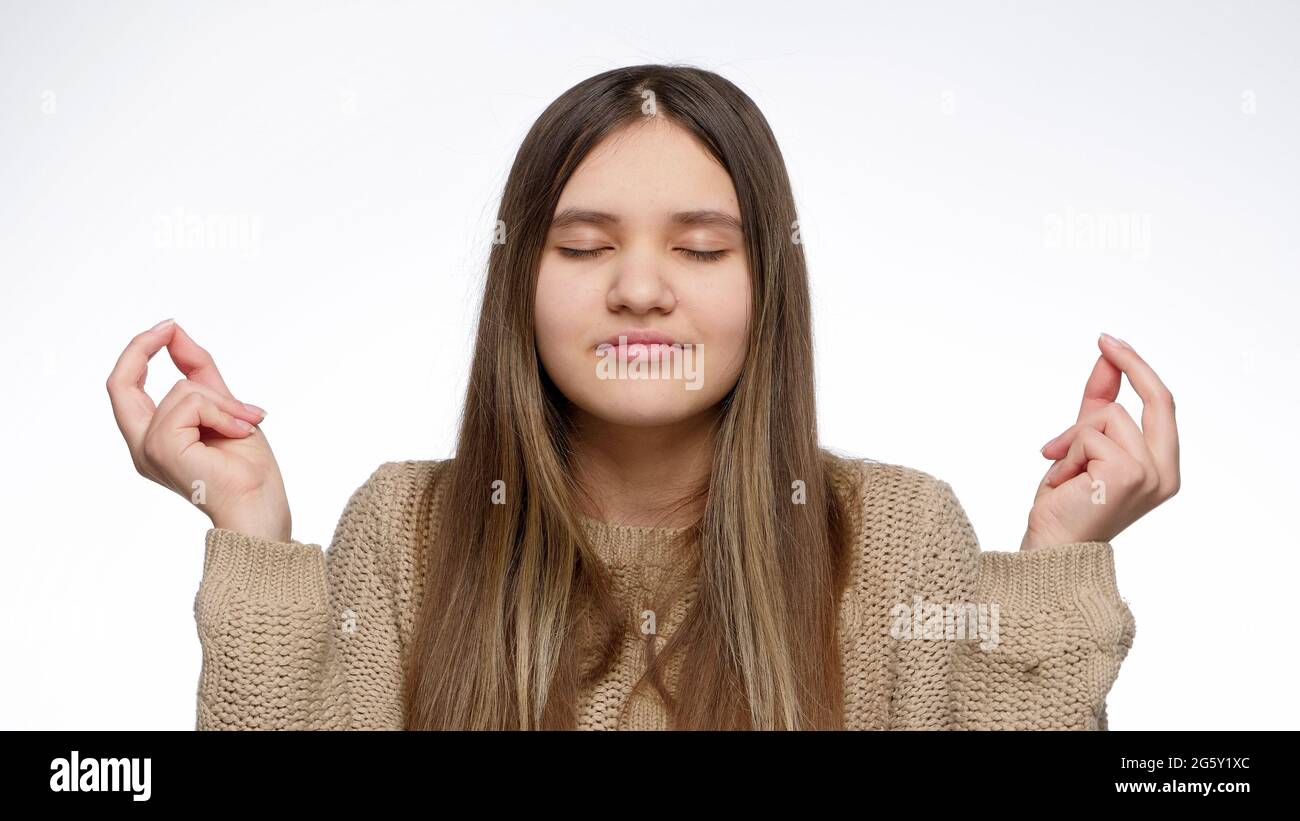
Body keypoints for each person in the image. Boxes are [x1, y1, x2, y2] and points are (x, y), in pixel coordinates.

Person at [106, 64, 1179, 730]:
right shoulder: (409, 527)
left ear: (767, 287)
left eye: (701, 248)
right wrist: (253, 534)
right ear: (518, 279)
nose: (639, 288)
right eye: (583, 245)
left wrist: (1052, 571)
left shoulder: (897, 532)